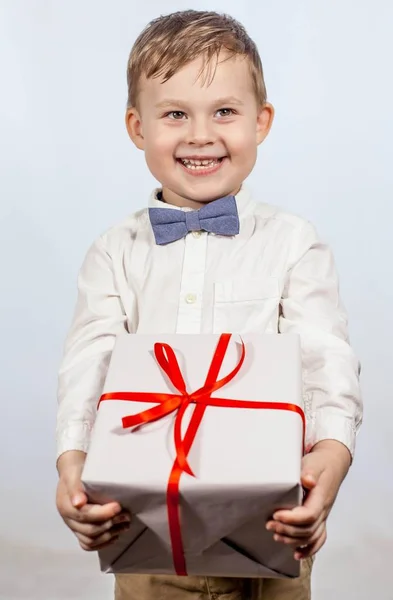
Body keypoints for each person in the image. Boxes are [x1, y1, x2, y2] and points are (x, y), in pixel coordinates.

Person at [55, 10, 362, 600]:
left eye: (224, 110)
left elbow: (327, 357)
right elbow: (87, 364)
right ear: (137, 126)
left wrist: (331, 457)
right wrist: (71, 462)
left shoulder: (295, 243)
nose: (200, 134)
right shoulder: (114, 252)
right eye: (174, 114)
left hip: (271, 532)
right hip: (143, 535)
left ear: (261, 121)